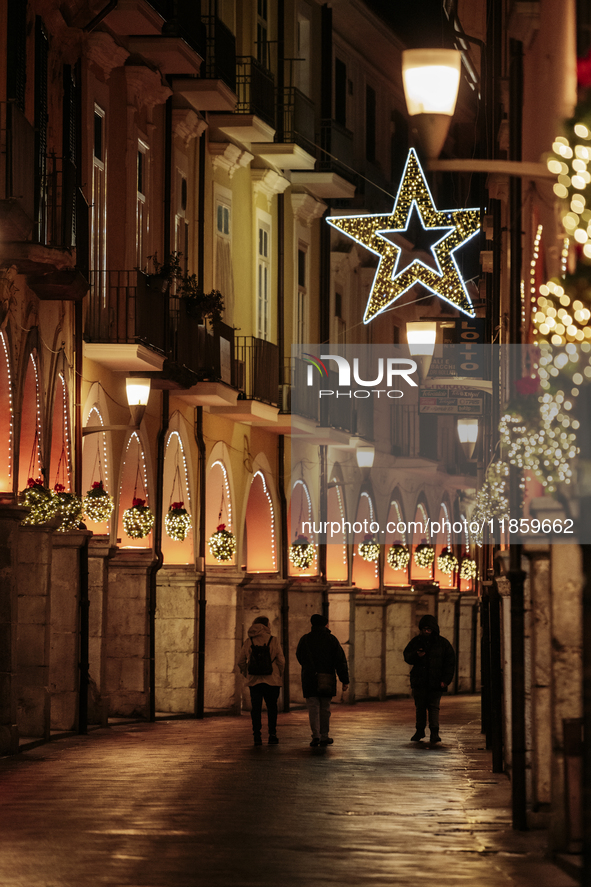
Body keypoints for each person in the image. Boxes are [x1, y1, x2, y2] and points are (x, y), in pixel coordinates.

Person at [296, 614, 349, 747]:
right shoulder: (331, 639)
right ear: (325, 625)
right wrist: (345, 680)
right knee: (325, 708)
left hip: (309, 678)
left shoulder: (305, 639)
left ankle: (316, 736)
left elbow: (299, 656)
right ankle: (324, 735)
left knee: (313, 708)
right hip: (326, 678)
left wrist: (308, 668)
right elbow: (340, 661)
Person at [403, 614, 456, 744]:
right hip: (420, 681)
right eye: (425, 629)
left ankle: (434, 732)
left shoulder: (443, 644)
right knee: (420, 707)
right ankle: (420, 730)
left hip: (436, 681)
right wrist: (417, 655)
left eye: (429, 629)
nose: (427, 632)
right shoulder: (416, 642)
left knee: (433, 707)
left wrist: (445, 680)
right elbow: (407, 656)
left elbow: (450, 663)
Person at [237, 616, 285, 746]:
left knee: (256, 708)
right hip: (272, 681)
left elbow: (240, 661)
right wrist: (278, 673)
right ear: (266, 626)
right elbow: (281, 661)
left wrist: (247, 673)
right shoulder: (273, 640)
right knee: (272, 708)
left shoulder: (249, 641)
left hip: (254, 681)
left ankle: (257, 736)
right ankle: (272, 735)